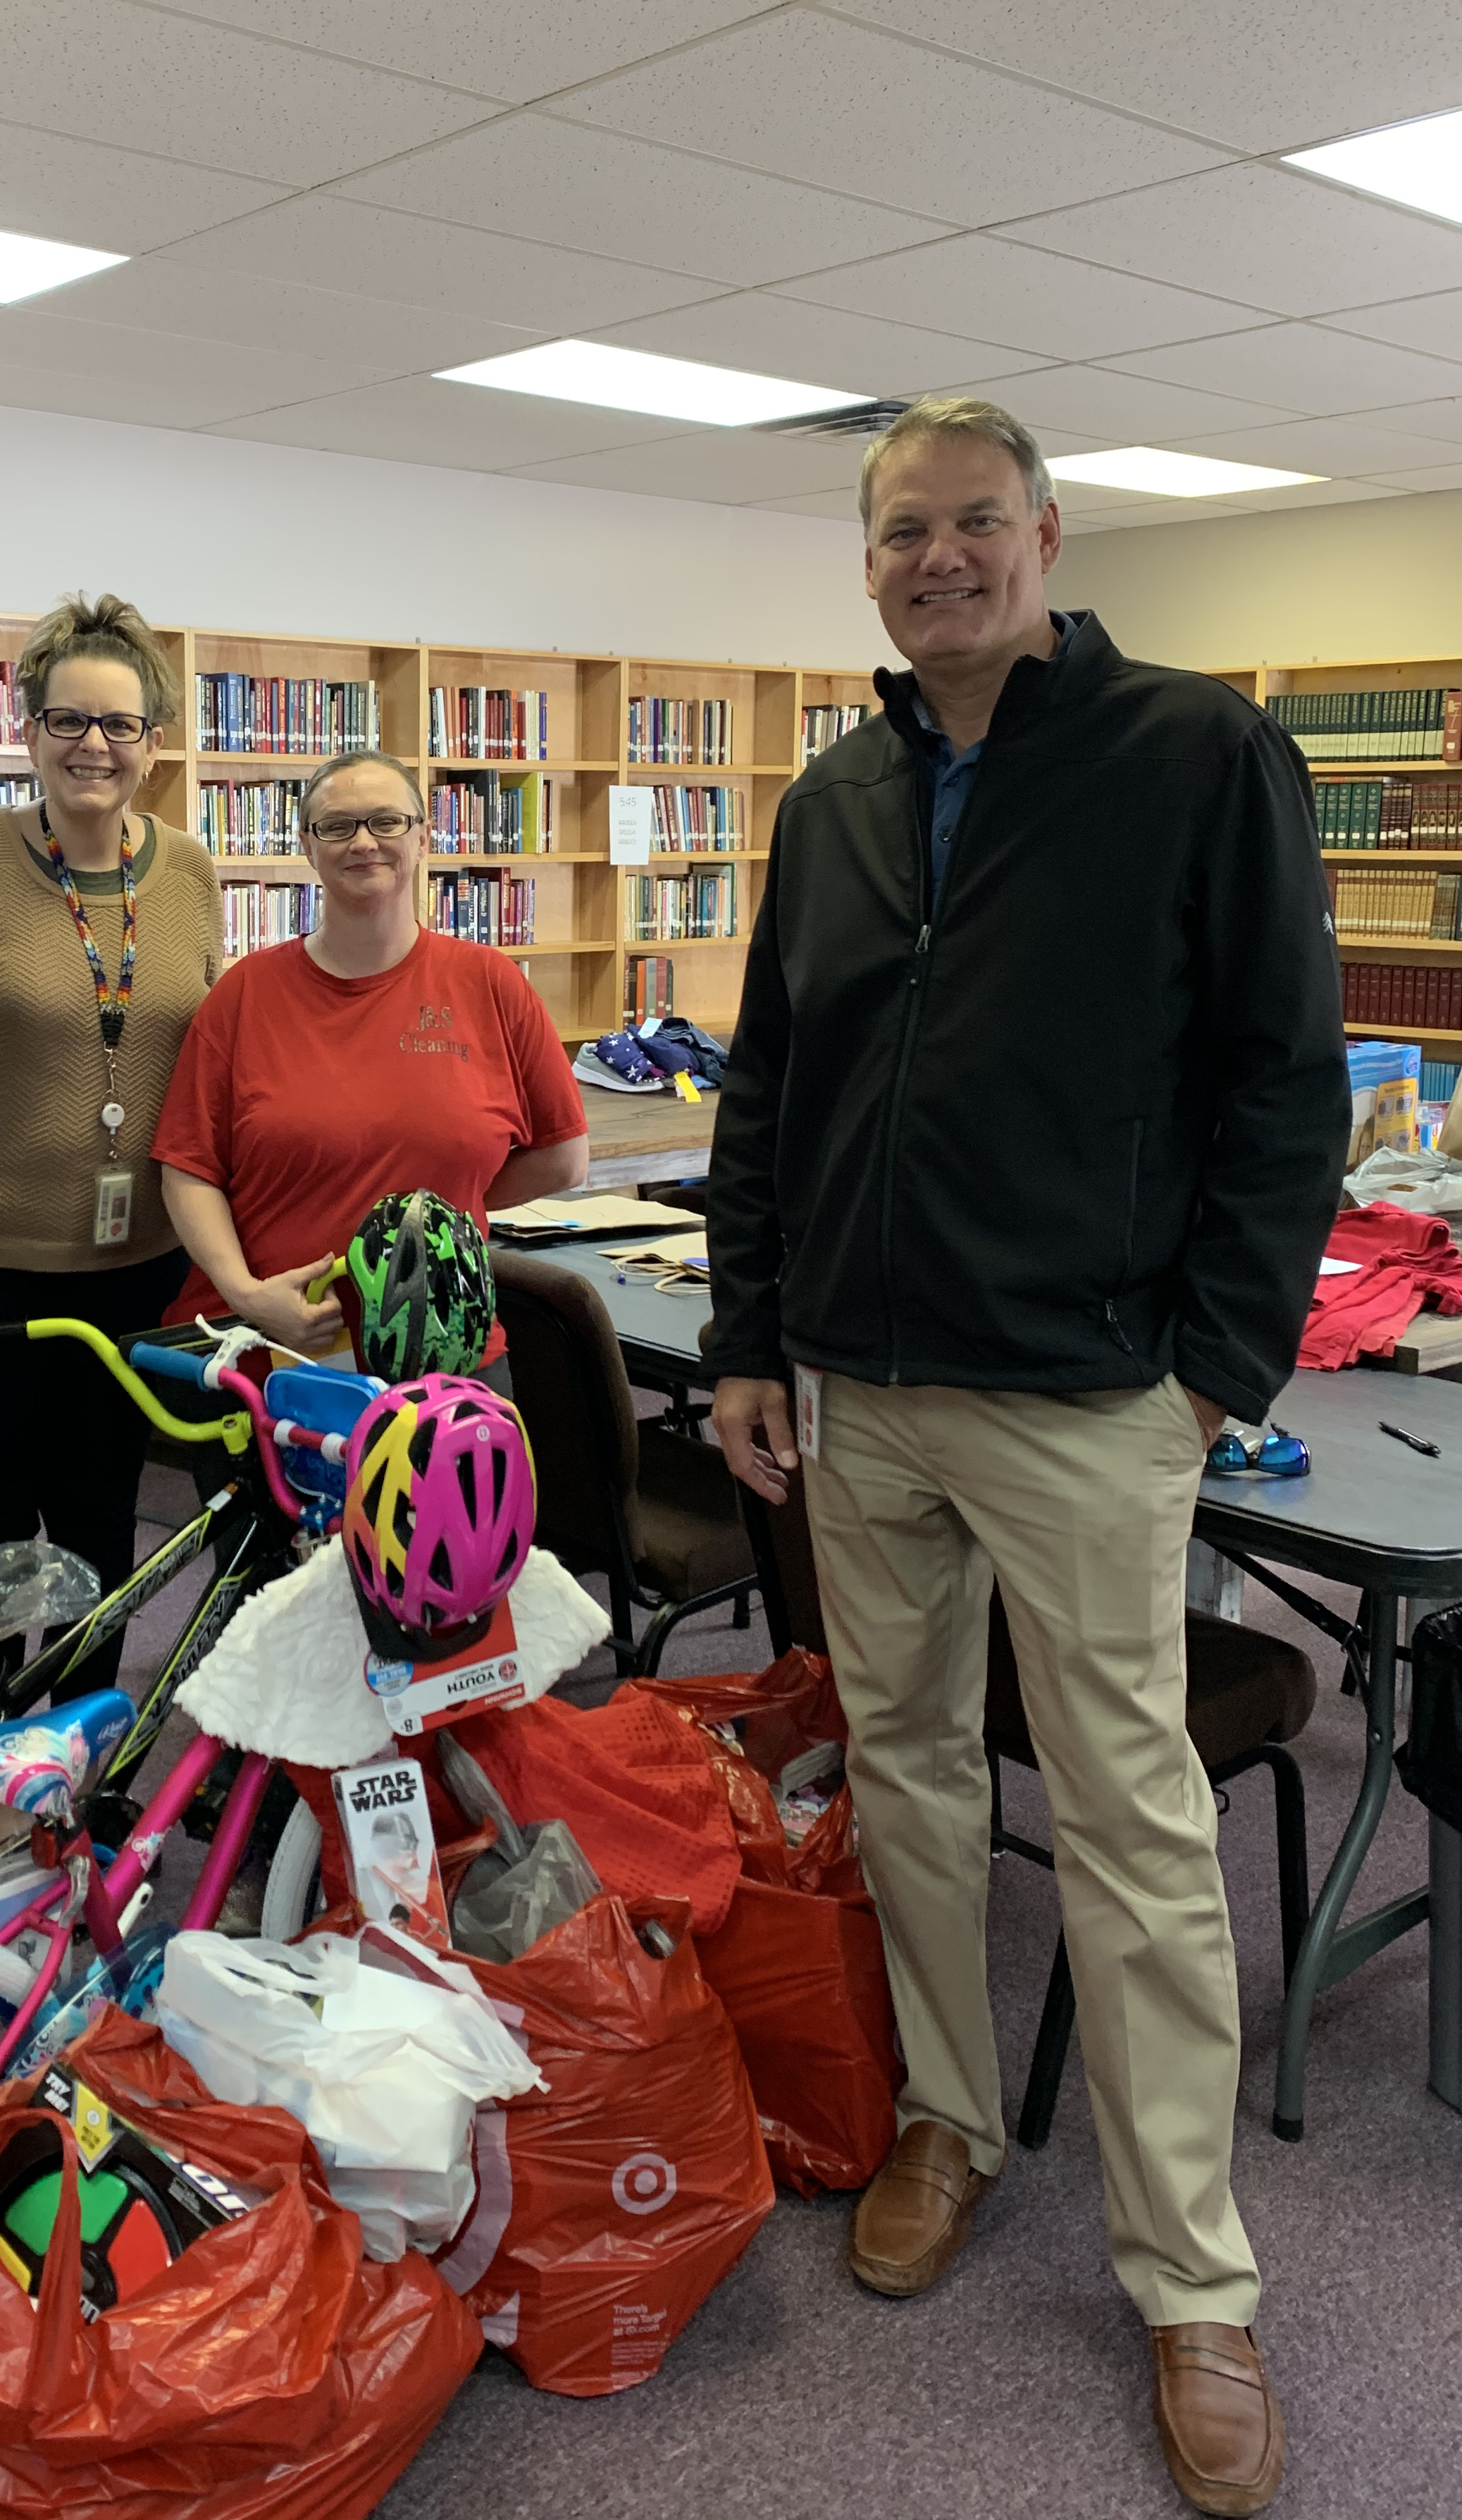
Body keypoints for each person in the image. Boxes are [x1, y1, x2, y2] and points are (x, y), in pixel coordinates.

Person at [705, 397, 1347, 2520]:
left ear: (1047, 536)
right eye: (906, 530)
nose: (941, 558)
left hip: (1088, 1399)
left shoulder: (1192, 756)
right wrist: (747, 1330)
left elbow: (1285, 1080)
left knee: (1132, 1823)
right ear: (869, 559)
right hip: (862, 1388)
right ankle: (952, 2123)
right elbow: (771, 1085)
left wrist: (1212, 1367)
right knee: (900, 1770)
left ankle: (1191, 2281)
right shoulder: (840, 793)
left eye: (977, 523)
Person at [0, 595, 219, 1697]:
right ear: (28, 734)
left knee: (97, 1526)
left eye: (120, 725)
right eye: (68, 721)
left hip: (134, 1271)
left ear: (154, 745)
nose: (94, 747)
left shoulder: (193, 875)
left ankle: (72, 1768)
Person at [151, 749, 588, 1359]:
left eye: (387, 821)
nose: (364, 843)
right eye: (337, 826)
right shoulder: (245, 993)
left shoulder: (490, 984)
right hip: (273, 1346)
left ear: (423, 837)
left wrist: (430, 1216)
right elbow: (188, 1167)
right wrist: (247, 1292)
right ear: (307, 844)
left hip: (444, 1351)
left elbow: (564, 1159)